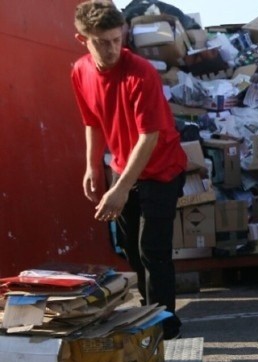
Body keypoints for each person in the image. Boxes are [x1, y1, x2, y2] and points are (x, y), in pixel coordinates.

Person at [71, 1, 186, 340]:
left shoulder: (141, 73)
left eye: (116, 40)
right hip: (124, 168)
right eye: (101, 42)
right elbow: (91, 121)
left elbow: (149, 137)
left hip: (162, 168)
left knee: (153, 249)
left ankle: (165, 326)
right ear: (82, 39)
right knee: (131, 250)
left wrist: (120, 187)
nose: (111, 49)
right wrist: (93, 166)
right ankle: (147, 314)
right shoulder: (80, 71)